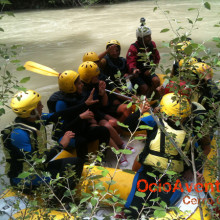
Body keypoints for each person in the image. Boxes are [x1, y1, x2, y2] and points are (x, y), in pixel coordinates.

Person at [122, 93, 211, 218]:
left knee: (156, 210)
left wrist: (192, 170)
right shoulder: (155, 121)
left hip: (172, 178)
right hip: (148, 172)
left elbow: (202, 152)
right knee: (132, 209)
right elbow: (128, 126)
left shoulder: (192, 129)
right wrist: (140, 111)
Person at [1, 90, 84, 202]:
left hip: (38, 168)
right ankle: (59, 202)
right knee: (66, 173)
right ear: (32, 111)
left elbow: (58, 115)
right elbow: (36, 161)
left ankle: (60, 196)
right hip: (24, 179)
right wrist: (60, 146)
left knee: (76, 161)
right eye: (39, 105)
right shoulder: (19, 134)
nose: (42, 106)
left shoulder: (35, 119)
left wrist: (85, 105)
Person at [78, 61, 135, 167]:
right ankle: (119, 154)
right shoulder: (82, 91)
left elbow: (103, 104)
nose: (98, 77)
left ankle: (122, 145)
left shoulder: (95, 83)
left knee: (109, 125)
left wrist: (103, 93)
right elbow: (84, 108)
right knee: (106, 127)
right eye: (95, 76)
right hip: (88, 119)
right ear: (88, 78)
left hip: (96, 113)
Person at [47, 70, 110, 161]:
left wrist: (100, 95)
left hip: (79, 129)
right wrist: (80, 117)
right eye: (79, 83)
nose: (82, 84)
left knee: (104, 130)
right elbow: (63, 128)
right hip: (67, 134)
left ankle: (101, 160)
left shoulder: (78, 94)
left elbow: (91, 109)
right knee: (81, 141)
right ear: (71, 86)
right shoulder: (61, 103)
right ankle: (83, 164)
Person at [82, 51, 132, 122]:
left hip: (105, 103)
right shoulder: (83, 84)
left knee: (118, 103)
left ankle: (120, 126)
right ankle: (119, 127)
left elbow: (109, 98)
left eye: (96, 63)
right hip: (96, 111)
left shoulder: (100, 76)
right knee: (116, 104)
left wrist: (131, 98)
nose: (95, 66)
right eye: (93, 63)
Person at [126, 18, 160, 97]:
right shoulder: (133, 48)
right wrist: (134, 70)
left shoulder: (152, 45)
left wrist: (151, 70)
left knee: (156, 81)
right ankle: (143, 101)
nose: (150, 38)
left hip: (148, 70)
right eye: (147, 37)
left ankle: (155, 99)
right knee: (144, 88)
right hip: (137, 74)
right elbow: (130, 63)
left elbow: (157, 58)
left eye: (149, 36)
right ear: (139, 39)